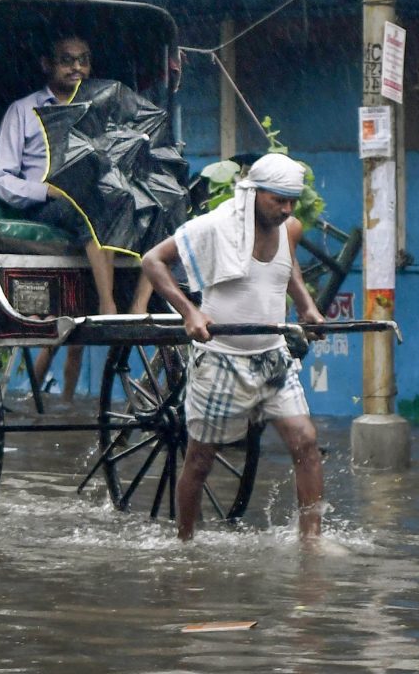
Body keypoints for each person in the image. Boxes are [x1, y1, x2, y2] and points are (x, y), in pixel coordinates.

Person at [139, 152, 328, 539]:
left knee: (306, 442)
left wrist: (307, 306)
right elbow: (152, 261)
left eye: (292, 201)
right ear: (255, 193)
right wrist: (190, 313)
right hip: (222, 359)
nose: (286, 209)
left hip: (273, 358)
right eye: (278, 200)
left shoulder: (289, 229)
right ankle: (186, 542)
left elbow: (288, 268)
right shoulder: (215, 226)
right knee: (201, 459)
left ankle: (312, 542)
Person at [0, 33, 154, 398]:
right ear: (48, 65)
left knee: (154, 203)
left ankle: (141, 302)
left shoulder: (100, 110)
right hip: (46, 204)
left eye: (84, 60)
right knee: (90, 202)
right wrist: (47, 190)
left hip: (101, 199)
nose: (77, 67)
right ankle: (108, 304)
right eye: (67, 60)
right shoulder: (24, 111)